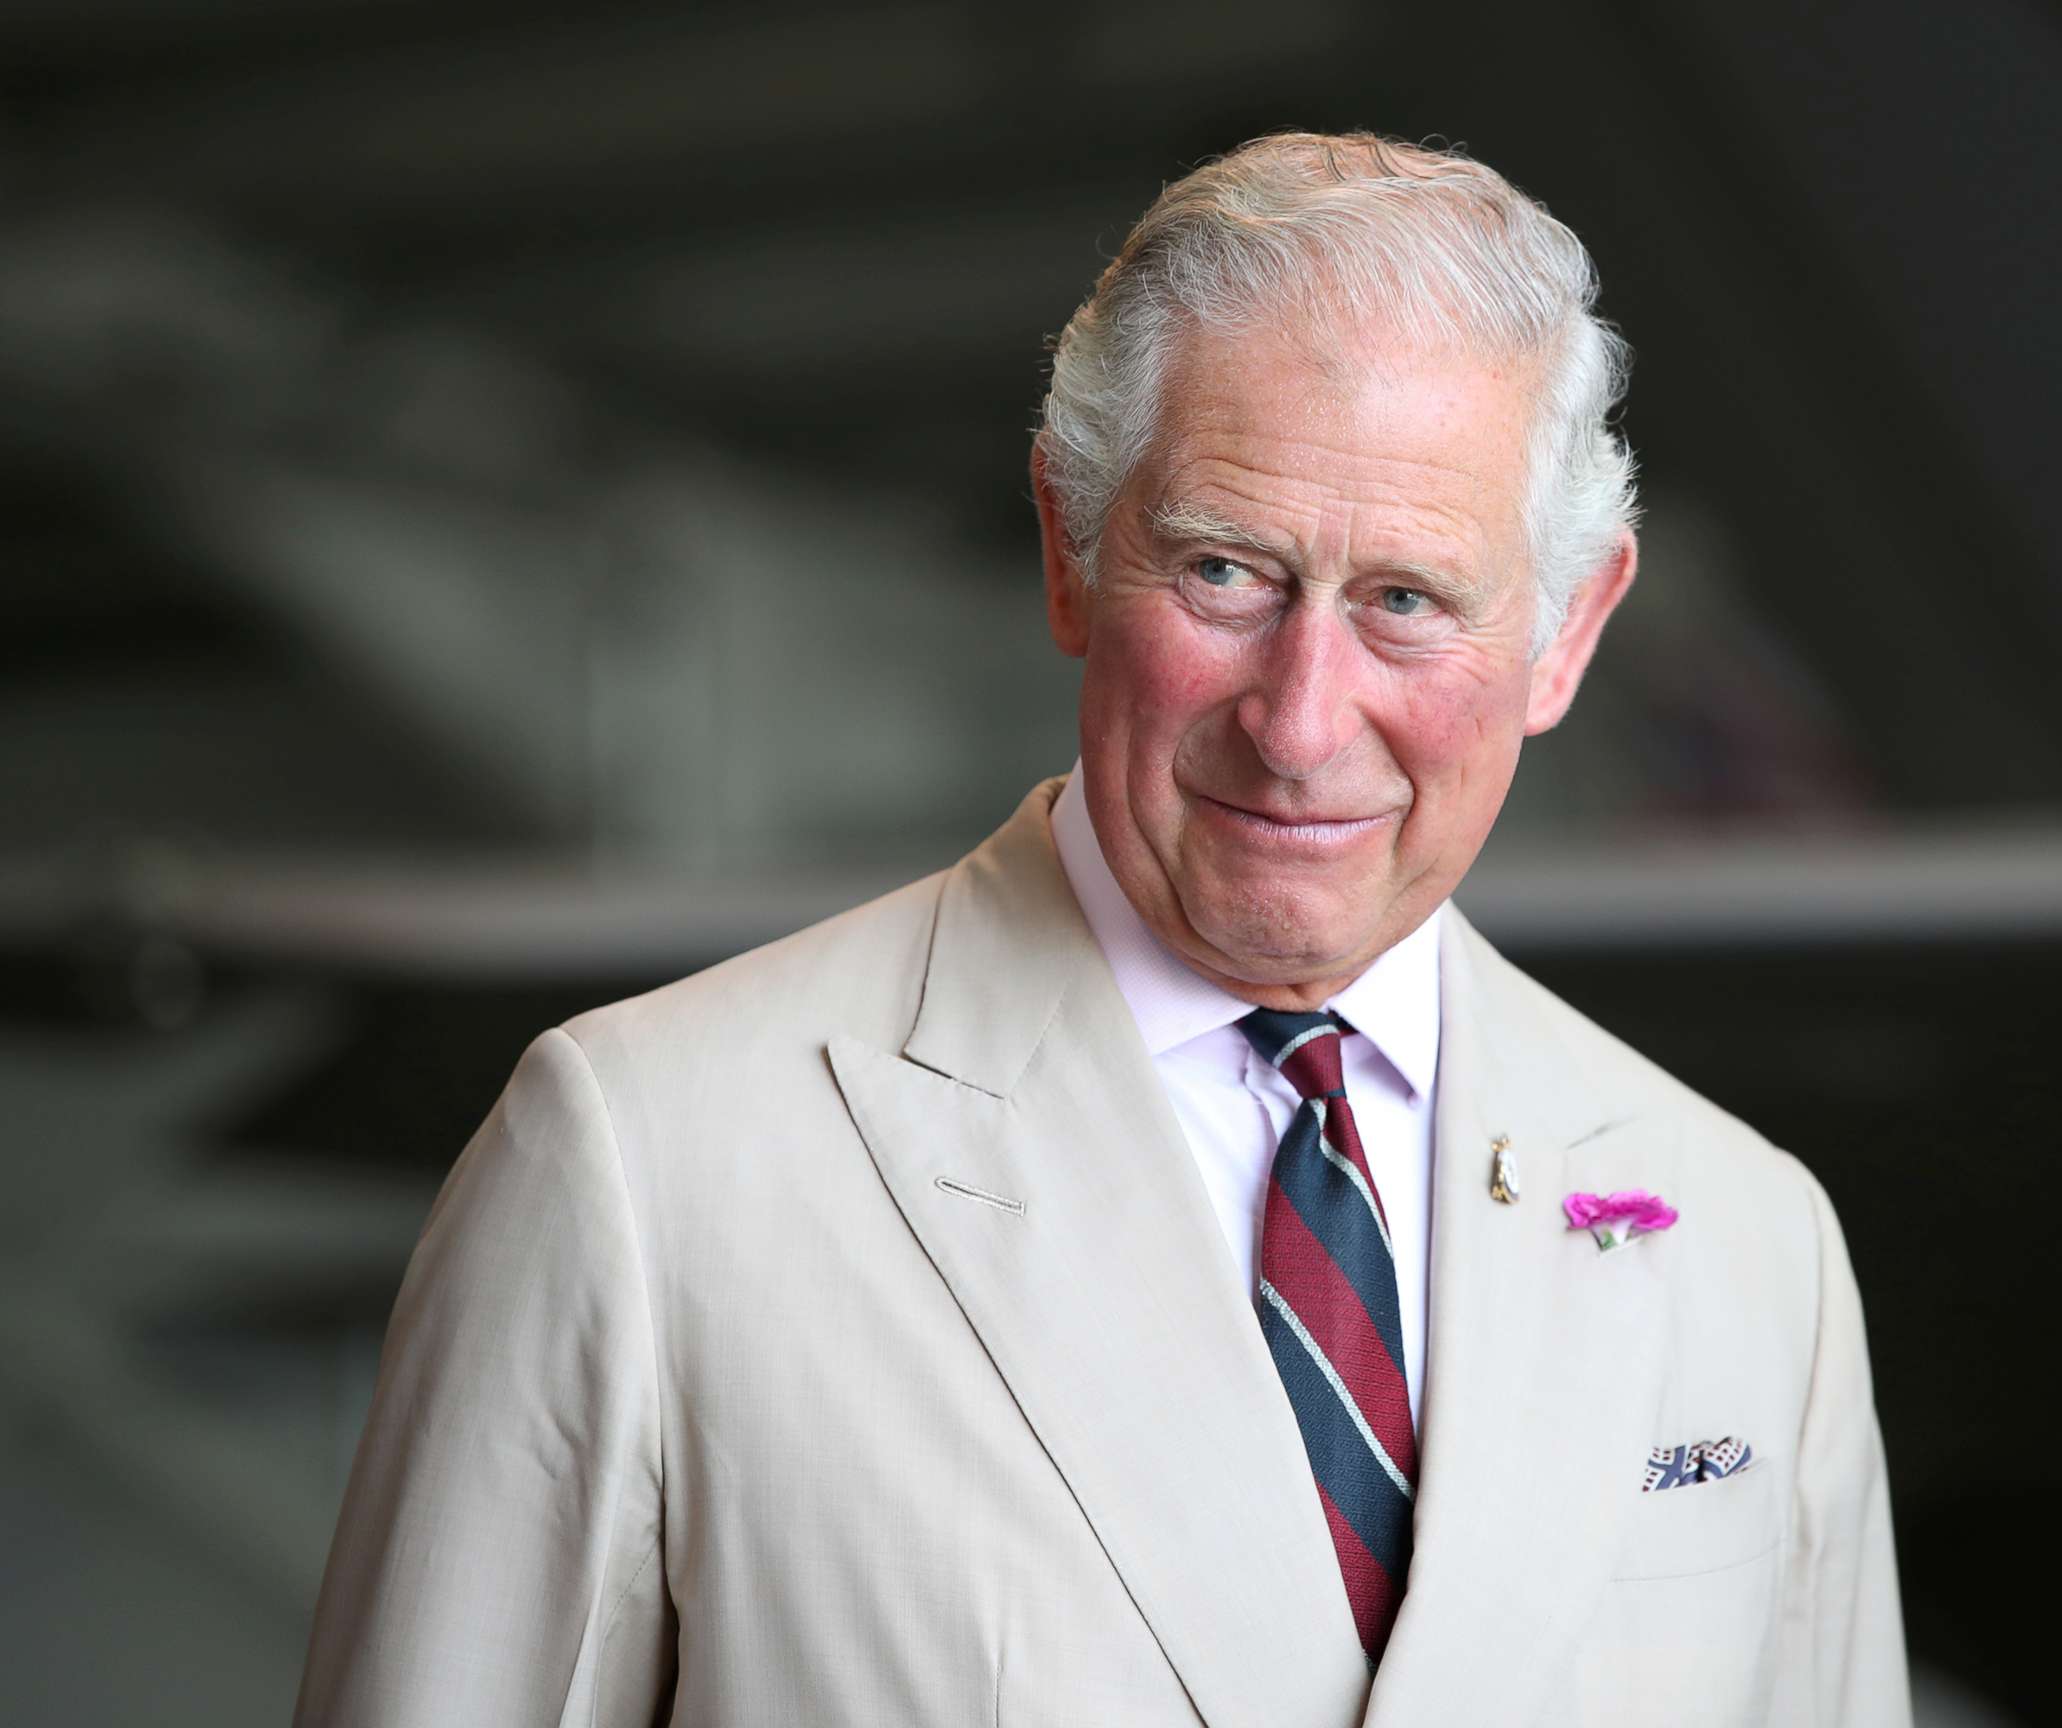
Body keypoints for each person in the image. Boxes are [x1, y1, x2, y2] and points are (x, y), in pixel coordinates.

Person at [295, 132, 1908, 1726]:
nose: (1300, 719)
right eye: (1224, 571)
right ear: (1071, 554)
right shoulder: (642, 1171)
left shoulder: (1749, 1243)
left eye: (1409, 600)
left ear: (1567, 636)